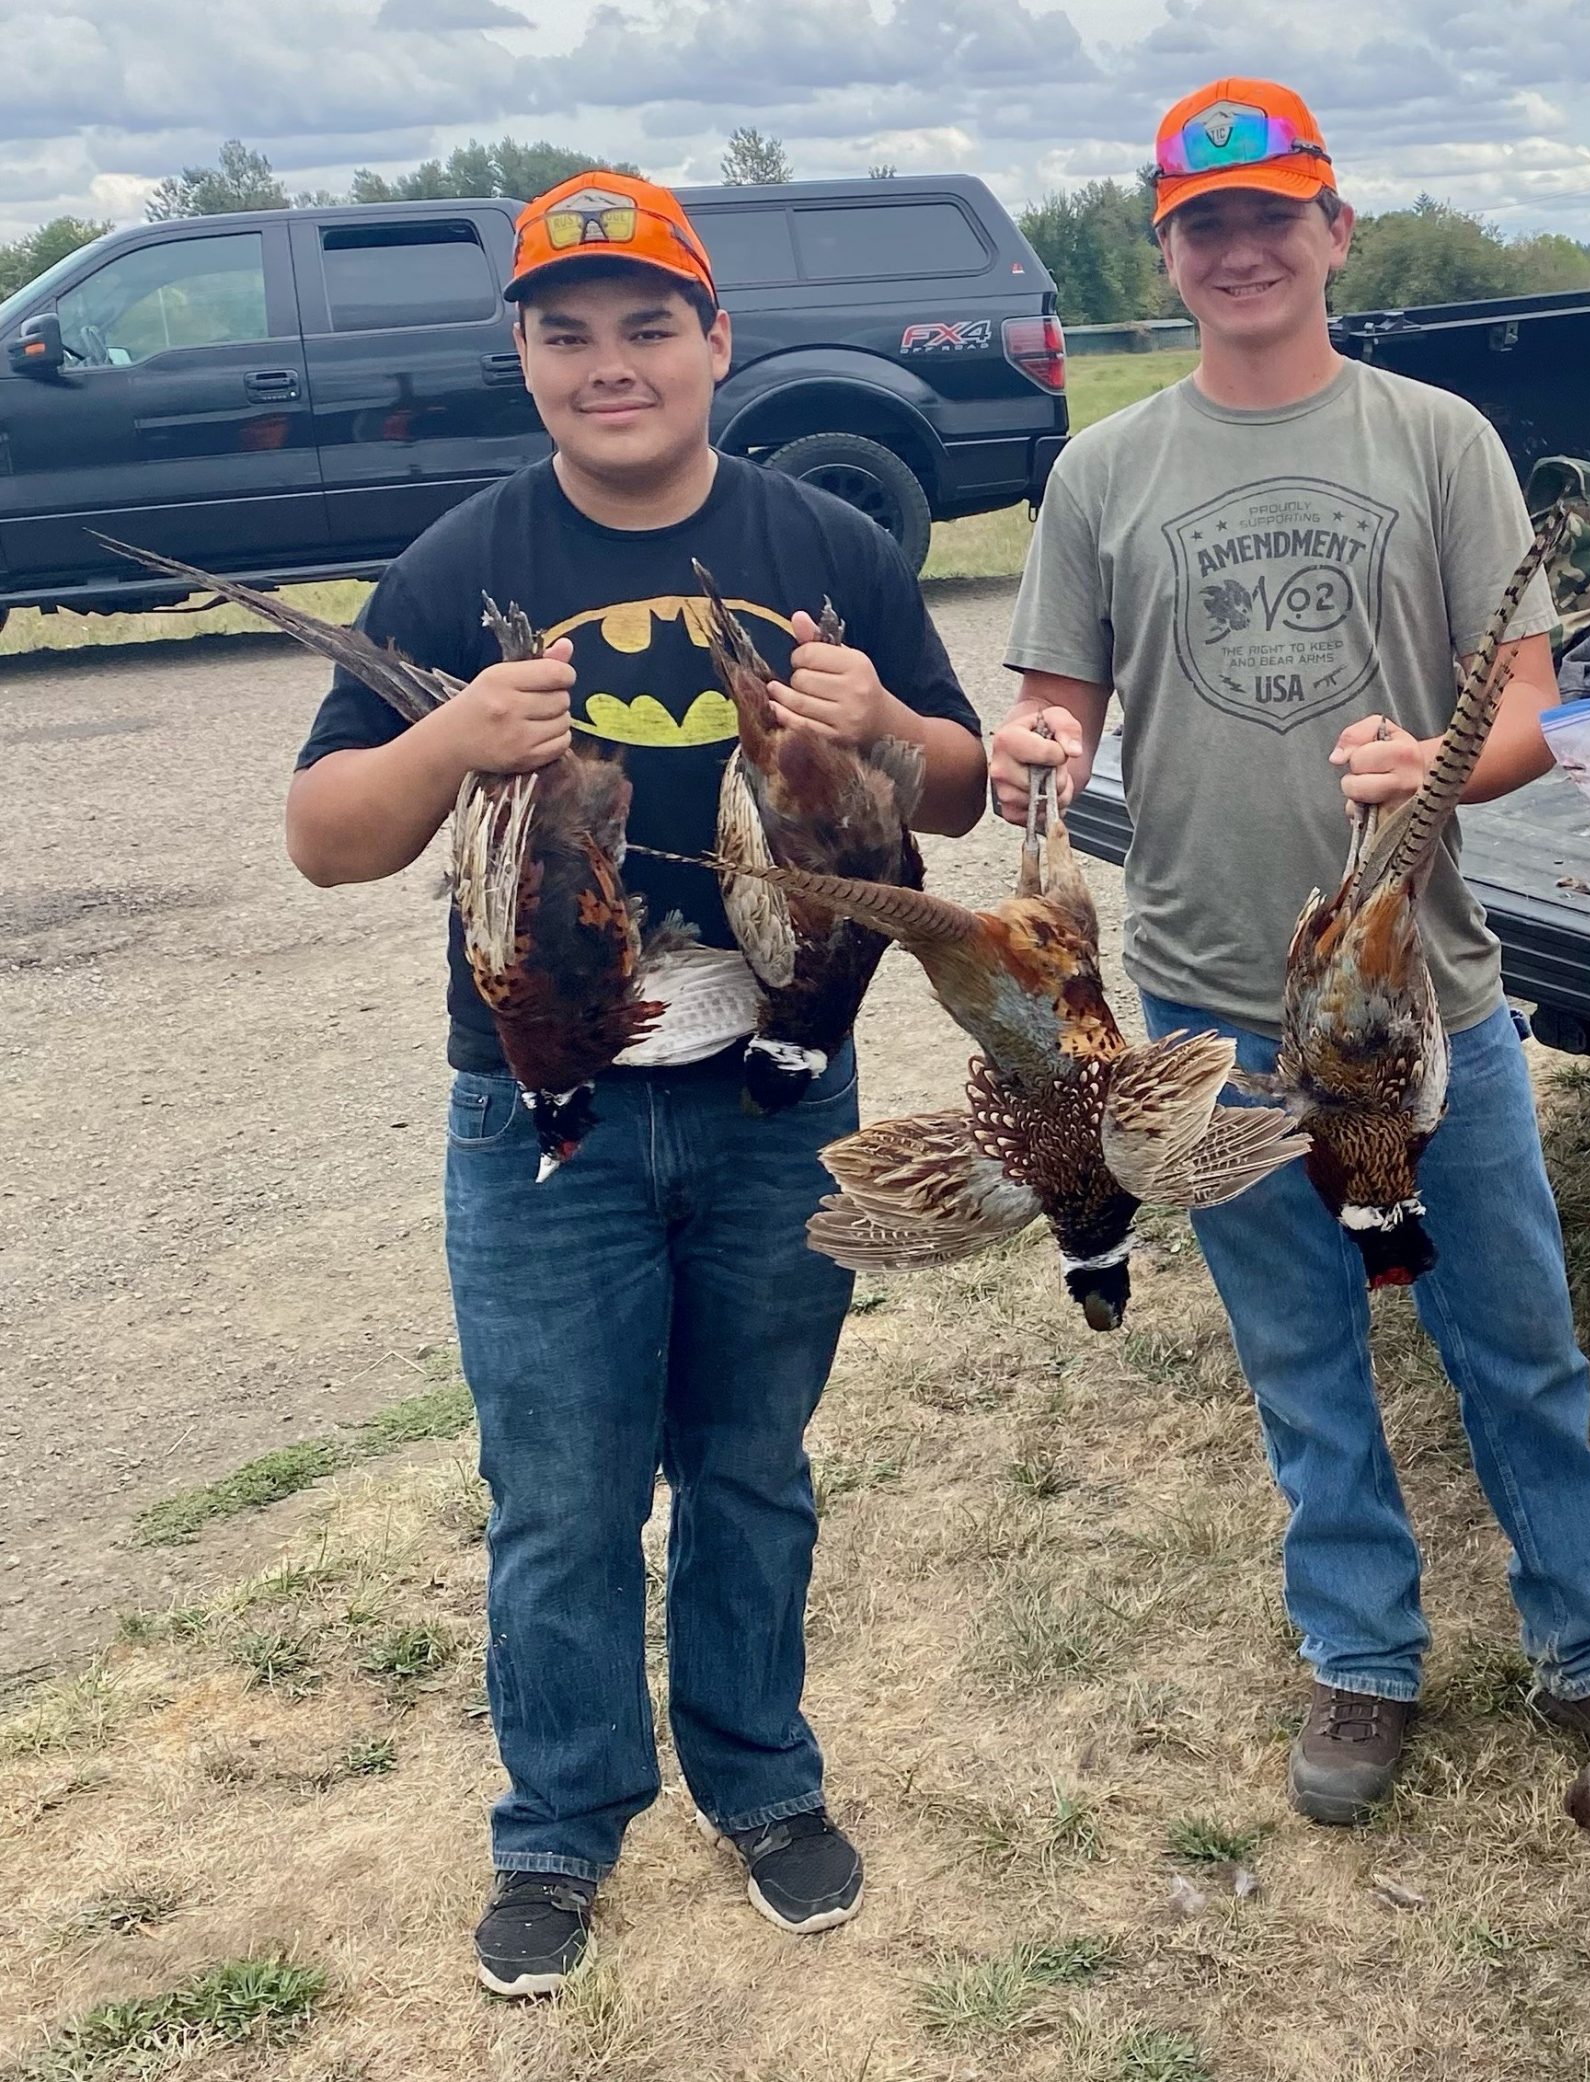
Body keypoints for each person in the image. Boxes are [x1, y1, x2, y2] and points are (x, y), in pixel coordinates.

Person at [286, 172, 987, 1995]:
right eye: (568, 333)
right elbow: (323, 838)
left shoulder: (827, 544)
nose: (613, 365)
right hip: (546, 1118)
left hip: (777, 1095)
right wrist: (446, 732)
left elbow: (965, 787)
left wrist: (887, 731)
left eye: (647, 326)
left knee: (752, 1463)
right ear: (522, 358)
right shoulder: (458, 568)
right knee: (565, 1490)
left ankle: (761, 1779)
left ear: (716, 342)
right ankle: (559, 1824)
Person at [993, 80, 1590, 1826]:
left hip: (1419, 998)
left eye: (1275, 215)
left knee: (1516, 1335)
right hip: (1210, 1009)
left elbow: (1527, 703)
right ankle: (1361, 1656)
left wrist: (1436, 766)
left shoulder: (1434, 439)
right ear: (1168, 252)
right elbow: (1058, 699)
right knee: (1301, 1357)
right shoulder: (1103, 471)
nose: (1243, 248)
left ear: (1333, 231)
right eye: (1204, 226)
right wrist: (1034, 753)